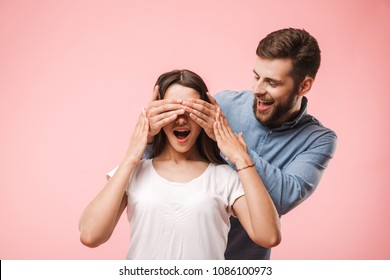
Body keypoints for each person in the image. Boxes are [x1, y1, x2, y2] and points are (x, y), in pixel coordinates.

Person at [145, 28, 337, 259]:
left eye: (272, 83)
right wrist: (150, 133)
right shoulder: (223, 104)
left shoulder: (319, 139)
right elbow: (164, 164)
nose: (257, 89)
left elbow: (284, 198)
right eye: (256, 76)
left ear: (303, 86)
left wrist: (236, 151)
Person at [78, 69, 281, 259]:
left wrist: (241, 158)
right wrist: (132, 155)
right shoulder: (134, 172)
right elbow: (90, 235)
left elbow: (269, 236)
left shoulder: (224, 177)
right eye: (171, 110)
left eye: (191, 110)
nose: (181, 119)